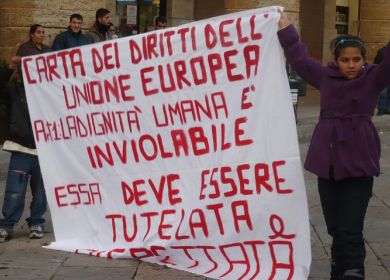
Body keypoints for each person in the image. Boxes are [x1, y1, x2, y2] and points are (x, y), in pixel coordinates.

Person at [278, 11, 390, 280]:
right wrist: (285, 29)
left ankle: (353, 271)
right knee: (335, 228)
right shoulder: (324, 76)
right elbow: (299, 58)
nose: (351, 65)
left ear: (364, 60)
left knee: (350, 228)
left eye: (356, 59)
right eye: (345, 60)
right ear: (336, 61)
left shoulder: (373, 78)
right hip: (327, 166)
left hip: (359, 165)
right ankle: (338, 269)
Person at [0, 24, 50, 242]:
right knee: (14, 190)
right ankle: (7, 224)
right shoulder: (14, 89)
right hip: (21, 145)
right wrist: (10, 66)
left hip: (44, 147)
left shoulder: (49, 90)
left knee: (40, 191)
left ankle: (37, 222)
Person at [374, 46, 390, 115]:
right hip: (384, 74)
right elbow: (376, 62)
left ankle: (386, 108)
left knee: (389, 93)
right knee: (383, 93)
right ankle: (381, 109)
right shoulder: (382, 51)